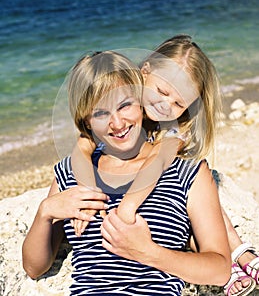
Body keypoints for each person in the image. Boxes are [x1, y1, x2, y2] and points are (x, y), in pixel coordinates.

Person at [22, 50, 231, 296]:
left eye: (124, 106)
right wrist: (44, 213)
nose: (118, 123)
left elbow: (220, 270)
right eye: (101, 113)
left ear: (140, 101)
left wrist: (148, 252)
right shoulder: (72, 172)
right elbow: (34, 267)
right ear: (86, 121)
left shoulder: (186, 171)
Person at [70, 36, 258, 296]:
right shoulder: (122, 101)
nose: (166, 106)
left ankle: (238, 251)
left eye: (179, 103)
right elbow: (81, 148)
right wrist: (86, 193)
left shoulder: (173, 131)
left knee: (202, 200)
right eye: (162, 92)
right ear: (144, 72)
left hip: (165, 179)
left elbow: (157, 162)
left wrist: (127, 208)